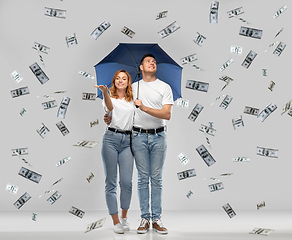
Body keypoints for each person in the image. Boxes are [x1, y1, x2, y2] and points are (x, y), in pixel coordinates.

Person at [105, 54, 173, 234]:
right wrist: (109, 117)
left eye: (154, 61)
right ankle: (144, 219)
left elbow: (167, 114)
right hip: (137, 137)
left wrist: (144, 108)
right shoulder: (133, 88)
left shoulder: (164, 87)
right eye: (148, 61)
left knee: (156, 178)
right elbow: (120, 109)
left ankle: (156, 219)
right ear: (141, 68)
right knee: (143, 178)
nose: (152, 63)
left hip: (159, 136)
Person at [95, 69, 135, 234]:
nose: (120, 80)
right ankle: (116, 220)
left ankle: (124, 217)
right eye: (117, 78)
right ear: (114, 81)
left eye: (124, 78)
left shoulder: (133, 100)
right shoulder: (108, 98)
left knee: (126, 183)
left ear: (128, 82)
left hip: (128, 142)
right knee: (111, 182)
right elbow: (109, 109)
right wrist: (105, 93)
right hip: (111, 140)